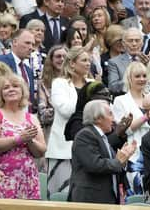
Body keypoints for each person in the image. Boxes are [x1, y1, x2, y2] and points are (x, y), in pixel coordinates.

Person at [0, 74, 46, 199]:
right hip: (3, 178)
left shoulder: (31, 118)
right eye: (6, 87)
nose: (11, 89)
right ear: (1, 93)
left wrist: (30, 141)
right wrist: (18, 139)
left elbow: (41, 151)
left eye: (15, 86)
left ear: (22, 91)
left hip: (28, 179)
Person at [44, 46, 91, 197]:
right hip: (63, 150)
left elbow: (100, 111)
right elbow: (65, 110)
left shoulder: (92, 83)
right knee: (61, 196)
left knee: (84, 196)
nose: (88, 63)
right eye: (84, 60)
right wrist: (86, 99)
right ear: (71, 63)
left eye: (89, 60)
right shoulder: (59, 83)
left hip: (89, 149)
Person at [68, 99, 135, 204]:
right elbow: (94, 165)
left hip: (106, 200)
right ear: (98, 118)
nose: (114, 119)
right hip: (90, 201)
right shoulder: (85, 135)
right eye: (110, 114)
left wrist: (124, 157)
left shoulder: (101, 137)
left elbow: (113, 163)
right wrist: (118, 162)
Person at [112, 61, 150, 194]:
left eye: (144, 76)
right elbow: (124, 130)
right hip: (133, 154)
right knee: (135, 194)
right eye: (138, 76)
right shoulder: (120, 100)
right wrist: (146, 117)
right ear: (129, 78)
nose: (142, 79)